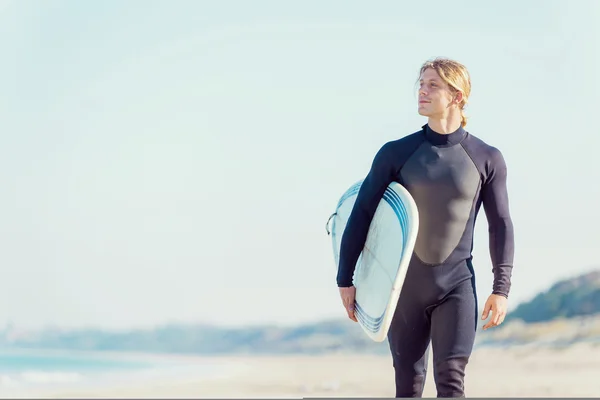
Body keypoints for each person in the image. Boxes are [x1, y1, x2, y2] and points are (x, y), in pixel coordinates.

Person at [336, 57, 515, 398]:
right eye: (421, 84)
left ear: (457, 96)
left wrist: (501, 288)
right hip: (403, 289)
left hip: (457, 287)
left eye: (433, 85)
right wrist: (345, 277)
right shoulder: (396, 153)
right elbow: (362, 214)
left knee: (451, 381)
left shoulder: (486, 157)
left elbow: (501, 224)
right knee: (408, 385)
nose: (422, 91)